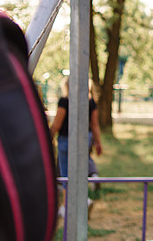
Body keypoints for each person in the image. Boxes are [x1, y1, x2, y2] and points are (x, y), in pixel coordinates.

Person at [49, 77, 103, 214]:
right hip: (84, 139)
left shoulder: (65, 101)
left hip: (66, 139)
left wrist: (48, 137)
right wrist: (98, 143)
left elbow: (57, 123)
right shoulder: (90, 102)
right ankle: (80, 200)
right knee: (79, 171)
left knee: (66, 173)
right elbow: (95, 125)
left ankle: (68, 206)